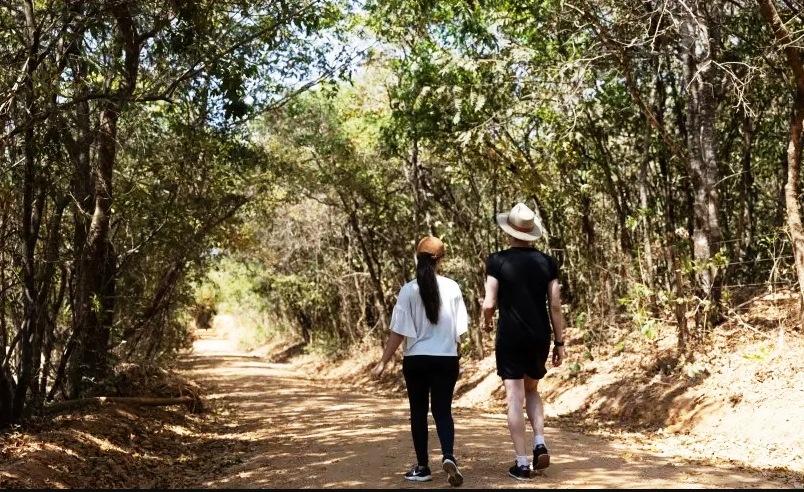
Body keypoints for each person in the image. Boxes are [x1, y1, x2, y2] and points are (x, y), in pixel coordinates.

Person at [372, 236, 469, 487]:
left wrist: (383, 362)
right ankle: (448, 455)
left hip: (416, 360)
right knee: (443, 411)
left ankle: (423, 467)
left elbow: (398, 332)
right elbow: (460, 330)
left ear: (418, 258)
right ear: (441, 260)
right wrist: (454, 350)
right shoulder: (453, 287)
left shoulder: (408, 290)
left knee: (418, 412)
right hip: (446, 359)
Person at [481, 202, 567, 480]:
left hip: (511, 335)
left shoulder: (497, 260)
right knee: (532, 390)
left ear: (509, 231)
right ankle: (539, 441)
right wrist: (560, 342)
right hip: (539, 335)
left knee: (514, 398)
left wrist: (486, 321)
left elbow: (489, 303)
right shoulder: (547, 262)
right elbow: (555, 305)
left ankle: (521, 464)